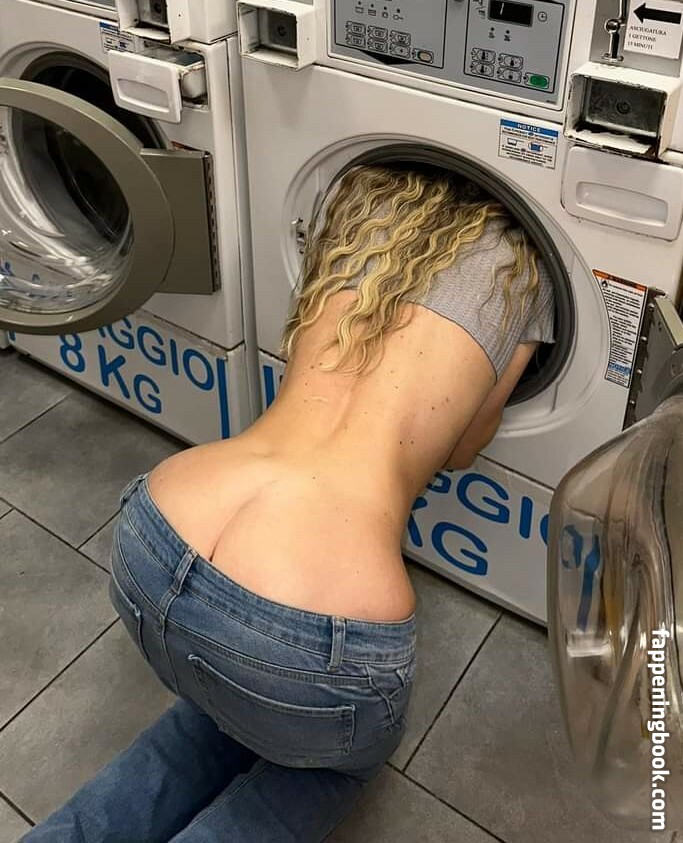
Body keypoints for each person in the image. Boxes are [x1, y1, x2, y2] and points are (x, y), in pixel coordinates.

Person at [23, 163, 555, 842]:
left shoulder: (361, 207)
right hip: (304, 644)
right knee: (331, 764)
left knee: (212, 721)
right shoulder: (524, 274)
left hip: (151, 540)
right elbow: (461, 450)